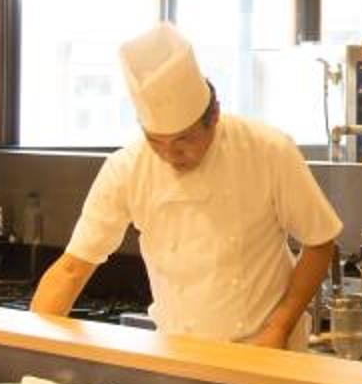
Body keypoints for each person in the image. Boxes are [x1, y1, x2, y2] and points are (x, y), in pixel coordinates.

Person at [28, 23, 342, 347]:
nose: (170, 155)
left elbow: (320, 241)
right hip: (176, 351)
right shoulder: (127, 167)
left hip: (264, 348)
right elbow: (72, 269)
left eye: (184, 141)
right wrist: (33, 348)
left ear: (214, 114)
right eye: (155, 141)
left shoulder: (267, 150)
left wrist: (279, 327)